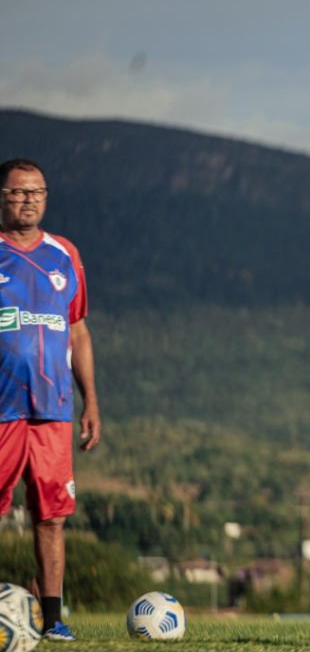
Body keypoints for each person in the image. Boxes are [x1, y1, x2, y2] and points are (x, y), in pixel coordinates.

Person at [0, 158, 102, 642]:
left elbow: (78, 333)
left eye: (36, 191)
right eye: (18, 192)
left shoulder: (66, 254)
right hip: (2, 410)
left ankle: (53, 618)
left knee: (52, 516)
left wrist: (91, 403)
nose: (28, 200)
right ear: (2, 197)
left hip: (53, 409)